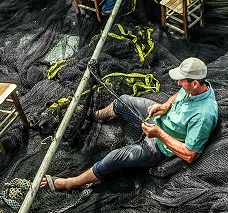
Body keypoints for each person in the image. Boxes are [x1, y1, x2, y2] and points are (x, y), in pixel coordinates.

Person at [41, 57, 218, 191]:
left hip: (160, 146)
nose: (178, 83)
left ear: (195, 83)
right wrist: (165, 106)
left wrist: (159, 134)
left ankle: (70, 183)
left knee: (114, 158)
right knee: (123, 101)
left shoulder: (203, 115)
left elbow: (190, 155)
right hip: (159, 120)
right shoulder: (196, 87)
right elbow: (179, 93)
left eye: (182, 81)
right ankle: (97, 116)